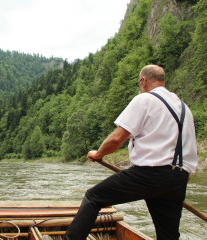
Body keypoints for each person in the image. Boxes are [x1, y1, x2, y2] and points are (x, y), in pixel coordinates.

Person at [64, 65, 198, 240]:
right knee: (168, 235)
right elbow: (190, 150)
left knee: (93, 197)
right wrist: (177, 180)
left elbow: (117, 138)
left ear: (143, 81)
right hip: (178, 178)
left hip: (149, 174)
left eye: (138, 83)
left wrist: (98, 154)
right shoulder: (185, 109)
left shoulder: (145, 100)